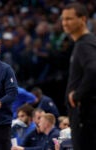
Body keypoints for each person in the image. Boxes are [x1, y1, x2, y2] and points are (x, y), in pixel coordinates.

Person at [61, 2, 96, 150]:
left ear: (83, 19)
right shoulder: (88, 42)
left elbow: (94, 70)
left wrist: (77, 95)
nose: (65, 23)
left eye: (69, 19)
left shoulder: (84, 44)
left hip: (84, 116)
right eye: (63, 19)